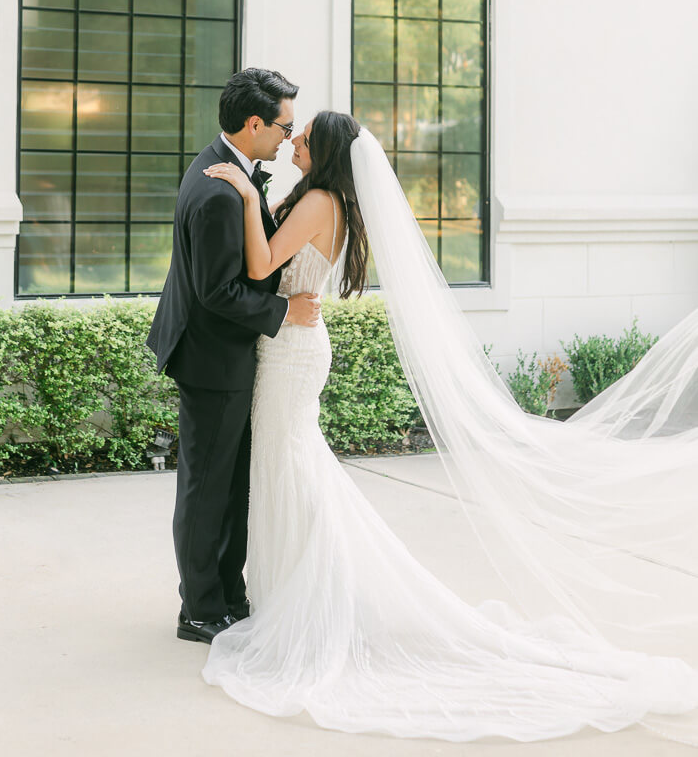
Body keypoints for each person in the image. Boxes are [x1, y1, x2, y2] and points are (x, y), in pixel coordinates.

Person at [199, 111, 698, 743]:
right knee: (289, 465)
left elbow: (265, 259)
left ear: (323, 153)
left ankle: (310, 600)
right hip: (293, 346)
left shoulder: (320, 199)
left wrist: (246, 193)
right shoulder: (322, 198)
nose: (293, 142)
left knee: (290, 465)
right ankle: (296, 593)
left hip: (294, 353)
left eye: (303, 137)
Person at [146, 68, 321, 644]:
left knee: (225, 483)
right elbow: (217, 292)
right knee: (205, 488)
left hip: (221, 355)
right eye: (284, 126)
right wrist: (283, 314)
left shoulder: (227, 170)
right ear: (254, 124)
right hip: (212, 359)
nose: (287, 138)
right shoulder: (220, 190)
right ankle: (198, 610)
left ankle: (226, 595)